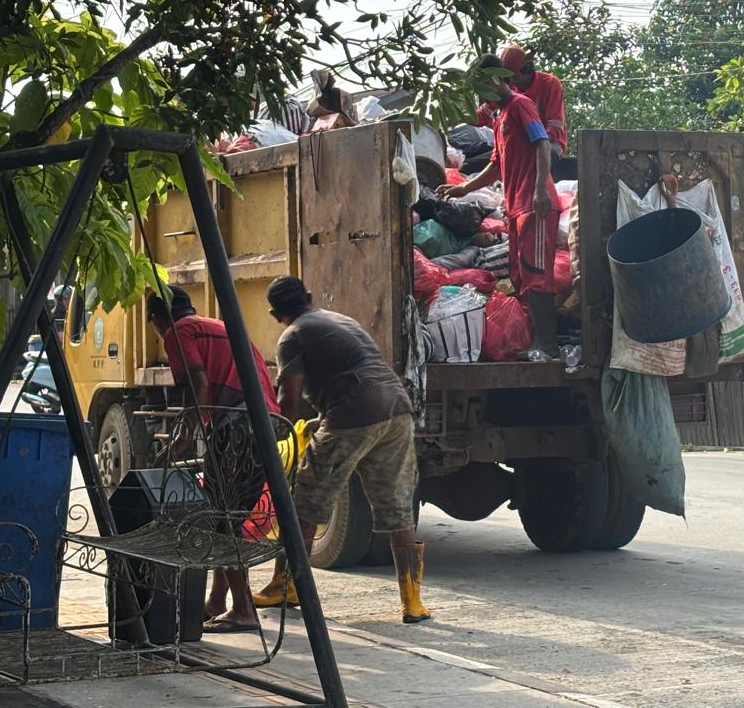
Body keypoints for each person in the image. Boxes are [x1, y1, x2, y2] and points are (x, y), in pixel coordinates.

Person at [261, 275, 431, 625]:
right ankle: (412, 601)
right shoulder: (342, 320)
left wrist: (271, 433)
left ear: (275, 314)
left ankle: (287, 585)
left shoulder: (291, 336)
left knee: (309, 497)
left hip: (354, 411)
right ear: (309, 296)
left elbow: (289, 399)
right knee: (397, 504)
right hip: (397, 409)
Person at [147, 285, 281, 633]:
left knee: (221, 518)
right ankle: (217, 601)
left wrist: (185, 437)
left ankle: (244, 609)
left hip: (237, 424)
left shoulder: (179, 332)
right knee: (229, 516)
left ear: (158, 318)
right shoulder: (217, 326)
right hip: (264, 423)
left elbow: (198, 384)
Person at [442, 57, 561, 361]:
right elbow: (497, 165)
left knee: (536, 274)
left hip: (534, 203)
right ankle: (535, 342)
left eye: (483, 87)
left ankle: (547, 346)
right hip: (517, 206)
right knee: (521, 276)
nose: (482, 97)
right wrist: (463, 189)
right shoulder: (500, 116)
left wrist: (538, 191)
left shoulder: (521, 105)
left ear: (497, 79)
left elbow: (543, 144)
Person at [476, 44, 567, 167]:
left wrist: (530, 145)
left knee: (544, 154)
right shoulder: (508, 88)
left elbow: (554, 126)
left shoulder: (549, 84)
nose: (511, 81)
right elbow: (483, 115)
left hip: (547, 144)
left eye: (514, 76)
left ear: (525, 69)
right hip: (516, 147)